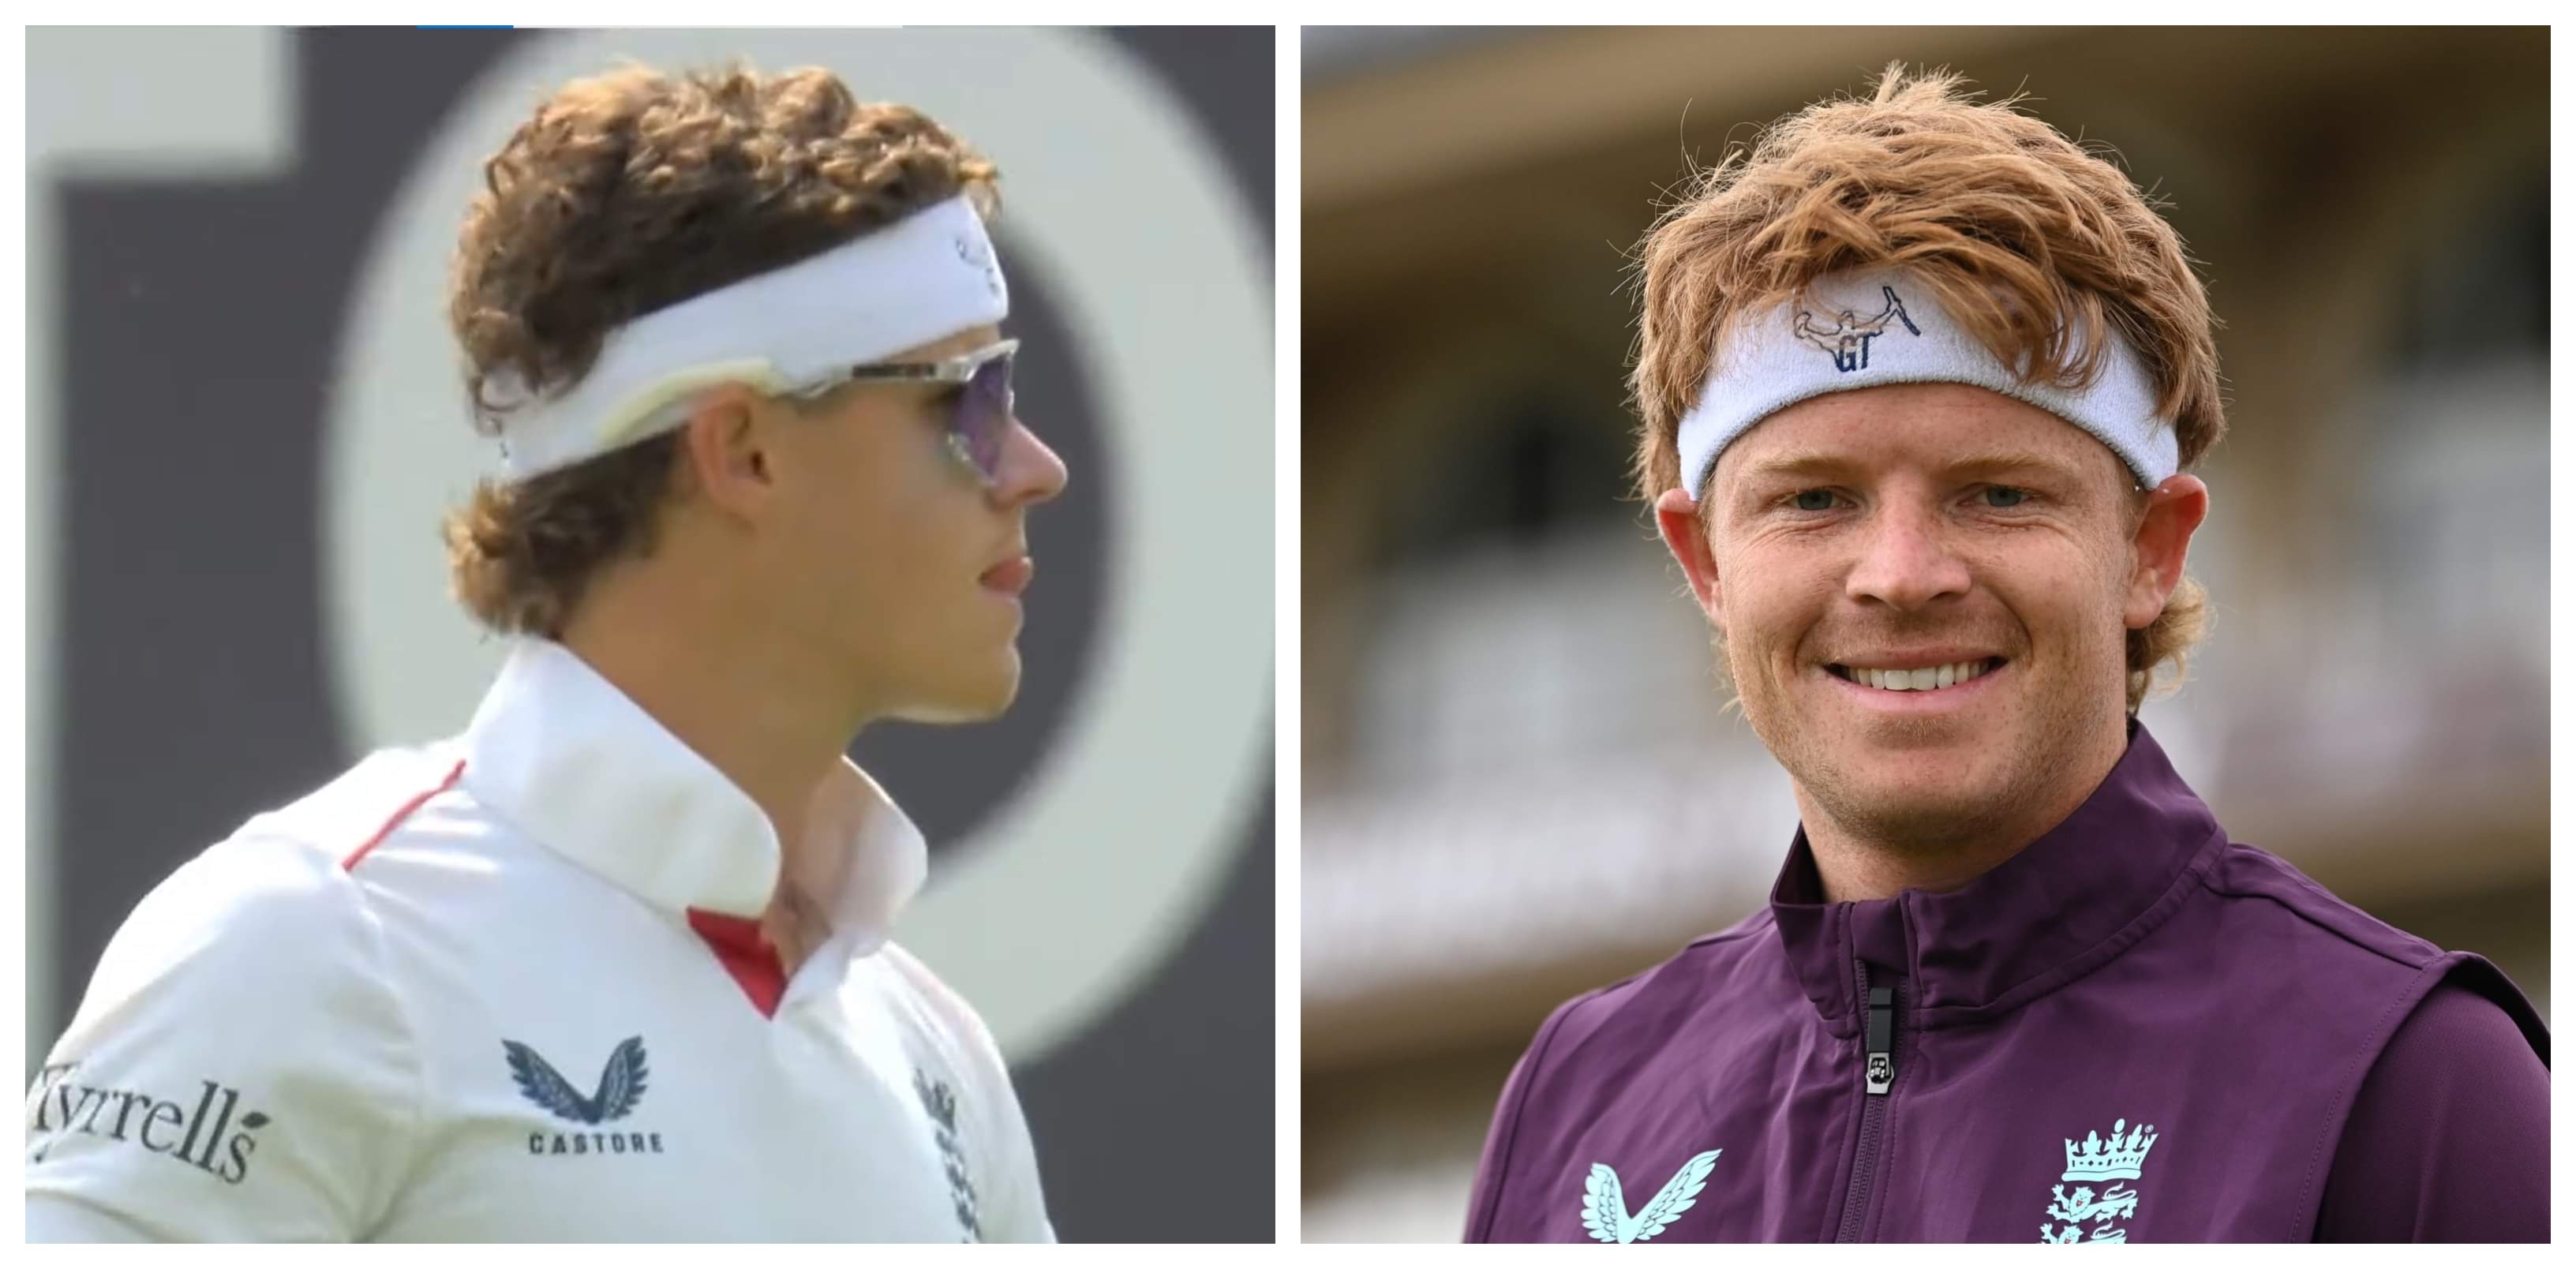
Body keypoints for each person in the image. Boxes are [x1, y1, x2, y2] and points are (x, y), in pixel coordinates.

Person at [1462, 64, 2547, 1245]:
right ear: (1706, 564)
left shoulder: (2405, 1077)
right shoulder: (1576, 1101)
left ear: (2150, 548)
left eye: (1996, 493)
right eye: (1816, 500)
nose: (1902, 573)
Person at [26, 62, 1066, 1242]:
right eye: (968, 401)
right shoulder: (302, 944)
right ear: (745, 452)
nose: (1034, 464)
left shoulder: (936, 1056)